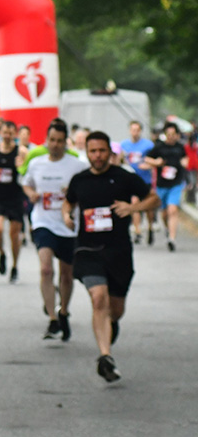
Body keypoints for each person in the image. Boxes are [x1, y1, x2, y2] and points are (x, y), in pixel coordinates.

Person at [63, 132, 159, 381]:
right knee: (98, 298)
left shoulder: (124, 178)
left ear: (110, 152)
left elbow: (154, 198)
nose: (97, 156)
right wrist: (67, 214)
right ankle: (105, 356)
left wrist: (132, 207)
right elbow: (68, 201)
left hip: (118, 252)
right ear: (87, 152)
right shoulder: (79, 180)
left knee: (115, 309)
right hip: (87, 250)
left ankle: (110, 325)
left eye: (102, 151)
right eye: (93, 151)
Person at [21, 120, 87, 341]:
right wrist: (31, 193)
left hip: (68, 226)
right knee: (46, 269)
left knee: (67, 274)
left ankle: (64, 311)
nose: (56, 145)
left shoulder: (77, 166)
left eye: (60, 141)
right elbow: (26, 182)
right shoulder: (37, 163)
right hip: (43, 222)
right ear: (46, 140)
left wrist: (74, 194)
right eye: (52, 140)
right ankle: (52, 318)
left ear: (65, 142)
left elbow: (87, 192)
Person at [0, 120, 27, 282]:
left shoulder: (21, 152)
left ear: (14, 134)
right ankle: (2, 252)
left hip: (15, 197)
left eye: (10, 133)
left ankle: (15, 265)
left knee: (14, 234)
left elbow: (26, 172)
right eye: (4, 133)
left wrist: (21, 166)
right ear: (0, 133)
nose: (7, 136)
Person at [144, 122, 188, 251]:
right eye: (168, 134)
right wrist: (156, 162)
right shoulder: (159, 147)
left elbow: (186, 159)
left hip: (176, 183)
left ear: (177, 135)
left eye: (173, 134)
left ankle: (172, 239)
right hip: (162, 184)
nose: (171, 136)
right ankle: (168, 229)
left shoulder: (181, 147)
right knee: (164, 213)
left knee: (173, 210)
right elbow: (147, 159)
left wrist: (184, 162)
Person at [120, 121, 156, 244]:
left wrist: (148, 165)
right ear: (130, 131)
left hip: (145, 180)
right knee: (135, 203)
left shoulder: (148, 145)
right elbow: (121, 160)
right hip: (131, 180)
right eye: (132, 129)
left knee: (148, 207)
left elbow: (155, 160)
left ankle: (150, 227)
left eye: (137, 130)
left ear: (140, 131)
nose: (135, 132)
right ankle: (138, 231)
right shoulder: (124, 145)